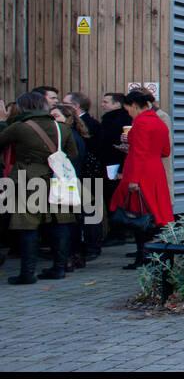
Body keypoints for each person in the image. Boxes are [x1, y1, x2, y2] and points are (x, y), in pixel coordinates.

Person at [0, 91, 81, 283]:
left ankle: (27, 274)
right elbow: (73, 154)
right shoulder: (61, 127)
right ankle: (59, 269)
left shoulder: (19, 127)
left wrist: (2, 121)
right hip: (58, 179)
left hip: (28, 179)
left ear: (23, 107)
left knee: (28, 226)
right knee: (60, 223)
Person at [108, 90, 174, 269]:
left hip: (140, 173)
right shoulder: (159, 122)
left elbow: (138, 153)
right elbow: (165, 151)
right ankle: (156, 255)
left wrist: (134, 180)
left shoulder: (141, 122)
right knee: (155, 214)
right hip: (155, 171)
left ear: (135, 106)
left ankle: (142, 257)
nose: (128, 113)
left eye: (128, 109)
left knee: (139, 216)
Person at [51, 103, 94, 268]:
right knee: (74, 223)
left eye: (55, 116)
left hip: (68, 183)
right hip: (75, 183)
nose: (52, 121)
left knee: (68, 223)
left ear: (67, 118)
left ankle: (70, 257)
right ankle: (76, 255)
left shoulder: (69, 136)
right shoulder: (75, 135)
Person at [95, 93, 130, 245]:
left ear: (117, 104)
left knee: (114, 198)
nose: (102, 105)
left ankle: (118, 232)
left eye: (106, 102)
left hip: (115, 166)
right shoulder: (112, 119)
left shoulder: (119, 120)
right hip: (112, 165)